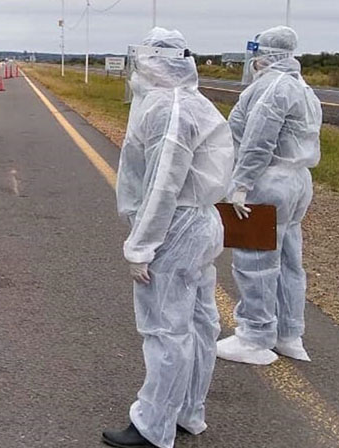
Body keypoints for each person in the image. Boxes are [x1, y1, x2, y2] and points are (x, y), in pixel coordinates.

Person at [105, 28, 234, 448]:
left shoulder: (168, 109)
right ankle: (187, 412)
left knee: (166, 331)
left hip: (175, 230)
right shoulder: (187, 103)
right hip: (195, 225)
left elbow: (164, 184)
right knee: (197, 323)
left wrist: (141, 246)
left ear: (152, 61)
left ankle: (153, 426)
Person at [216, 26, 321, 366]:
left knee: (256, 258)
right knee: (290, 260)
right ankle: (289, 333)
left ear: (266, 55)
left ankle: (255, 336)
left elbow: (258, 140)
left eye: (258, 52)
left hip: (268, 182)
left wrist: (241, 183)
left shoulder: (272, 88)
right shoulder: (302, 88)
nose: (254, 59)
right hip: (297, 181)